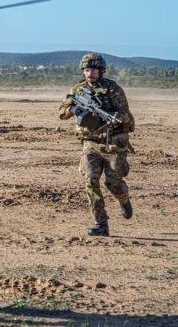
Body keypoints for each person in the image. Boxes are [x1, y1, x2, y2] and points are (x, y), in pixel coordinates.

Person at [59, 53, 135, 236]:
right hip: (90, 143)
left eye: (93, 69)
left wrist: (114, 117)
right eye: (86, 69)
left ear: (101, 71)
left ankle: (123, 199)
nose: (90, 73)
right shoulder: (77, 89)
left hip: (113, 143)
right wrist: (74, 109)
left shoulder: (113, 89)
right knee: (91, 181)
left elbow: (126, 113)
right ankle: (101, 224)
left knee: (112, 182)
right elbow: (62, 112)